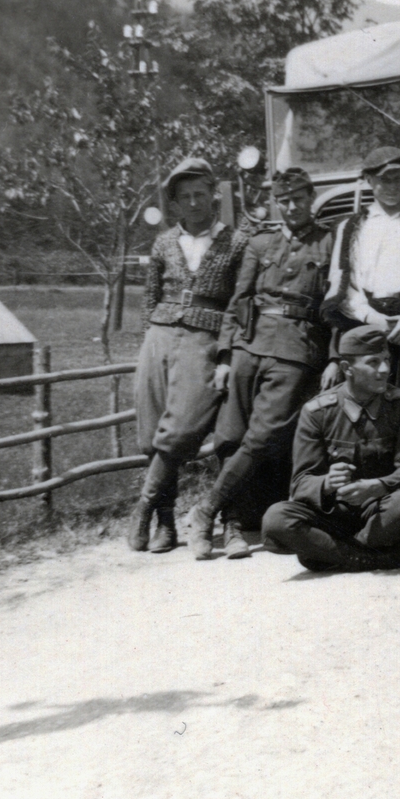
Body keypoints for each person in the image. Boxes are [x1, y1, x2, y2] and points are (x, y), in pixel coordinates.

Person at [182, 167, 335, 561]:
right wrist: (225, 357)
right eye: (283, 200)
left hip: (296, 351)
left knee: (263, 437)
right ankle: (232, 527)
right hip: (249, 346)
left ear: (311, 198)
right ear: (275, 203)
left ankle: (206, 511)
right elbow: (238, 302)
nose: (291, 206)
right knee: (230, 435)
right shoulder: (259, 242)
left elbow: (335, 307)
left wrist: (333, 356)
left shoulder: (329, 242)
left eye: (299, 198)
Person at [130, 158, 249, 553]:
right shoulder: (164, 241)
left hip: (206, 337)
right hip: (160, 335)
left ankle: (144, 506)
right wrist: (152, 336)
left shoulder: (236, 241)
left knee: (180, 428)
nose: (194, 203)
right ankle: (166, 523)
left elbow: (237, 303)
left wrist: (225, 353)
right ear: (175, 204)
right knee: (151, 431)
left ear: (213, 196)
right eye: (186, 197)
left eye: (201, 194)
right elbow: (149, 297)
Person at [261, 324, 400, 573]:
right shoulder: (317, 412)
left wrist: (378, 486)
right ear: (346, 369)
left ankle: (328, 554)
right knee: (276, 519)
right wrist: (327, 483)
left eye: (386, 360)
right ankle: (373, 558)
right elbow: (300, 483)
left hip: (378, 511)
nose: (384, 369)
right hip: (330, 515)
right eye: (373, 362)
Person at [323, 145, 400, 418]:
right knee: (368, 410)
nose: (392, 186)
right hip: (367, 328)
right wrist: (372, 318)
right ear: (369, 181)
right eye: (384, 179)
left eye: (399, 178)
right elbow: (344, 284)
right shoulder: (352, 227)